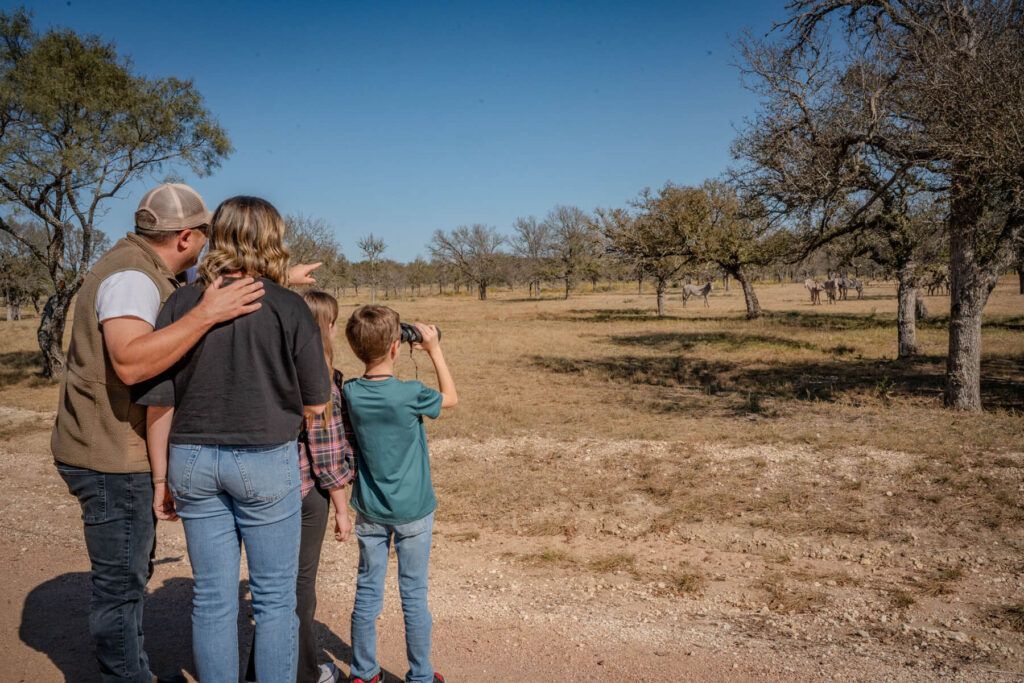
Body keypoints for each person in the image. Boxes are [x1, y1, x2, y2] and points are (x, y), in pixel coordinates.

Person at [51, 183, 267, 683]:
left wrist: (274, 284)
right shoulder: (131, 279)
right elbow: (130, 362)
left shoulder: (145, 266)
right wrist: (207, 313)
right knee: (122, 584)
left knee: (129, 572)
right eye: (206, 236)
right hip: (110, 454)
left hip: (110, 446)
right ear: (187, 236)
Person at [137, 196, 332, 683]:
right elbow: (317, 400)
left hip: (190, 459)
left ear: (218, 236)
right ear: (272, 240)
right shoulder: (289, 306)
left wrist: (161, 478)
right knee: (274, 600)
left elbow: (160, 402)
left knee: (213, 599)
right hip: (265, 457)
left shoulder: (181, 302)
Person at [243, 290, 357, 683]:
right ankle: (303, 672)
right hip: (306, 492)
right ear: (325, 326)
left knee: (276, 588)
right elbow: (326, 459)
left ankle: (262, 671)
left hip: (266, 483)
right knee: (297, 587)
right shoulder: (319, 376)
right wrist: (342, 509)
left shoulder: (275, 364)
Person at [342, 305, 457, 683]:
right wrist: (434, 349)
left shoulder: (351, 392)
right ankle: (421, 675)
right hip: (414, 510)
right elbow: (450, 398)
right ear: (397, 346)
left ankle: (363, 672)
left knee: (367, 592)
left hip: (370, 509)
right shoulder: (410, 393)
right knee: (413, 595)